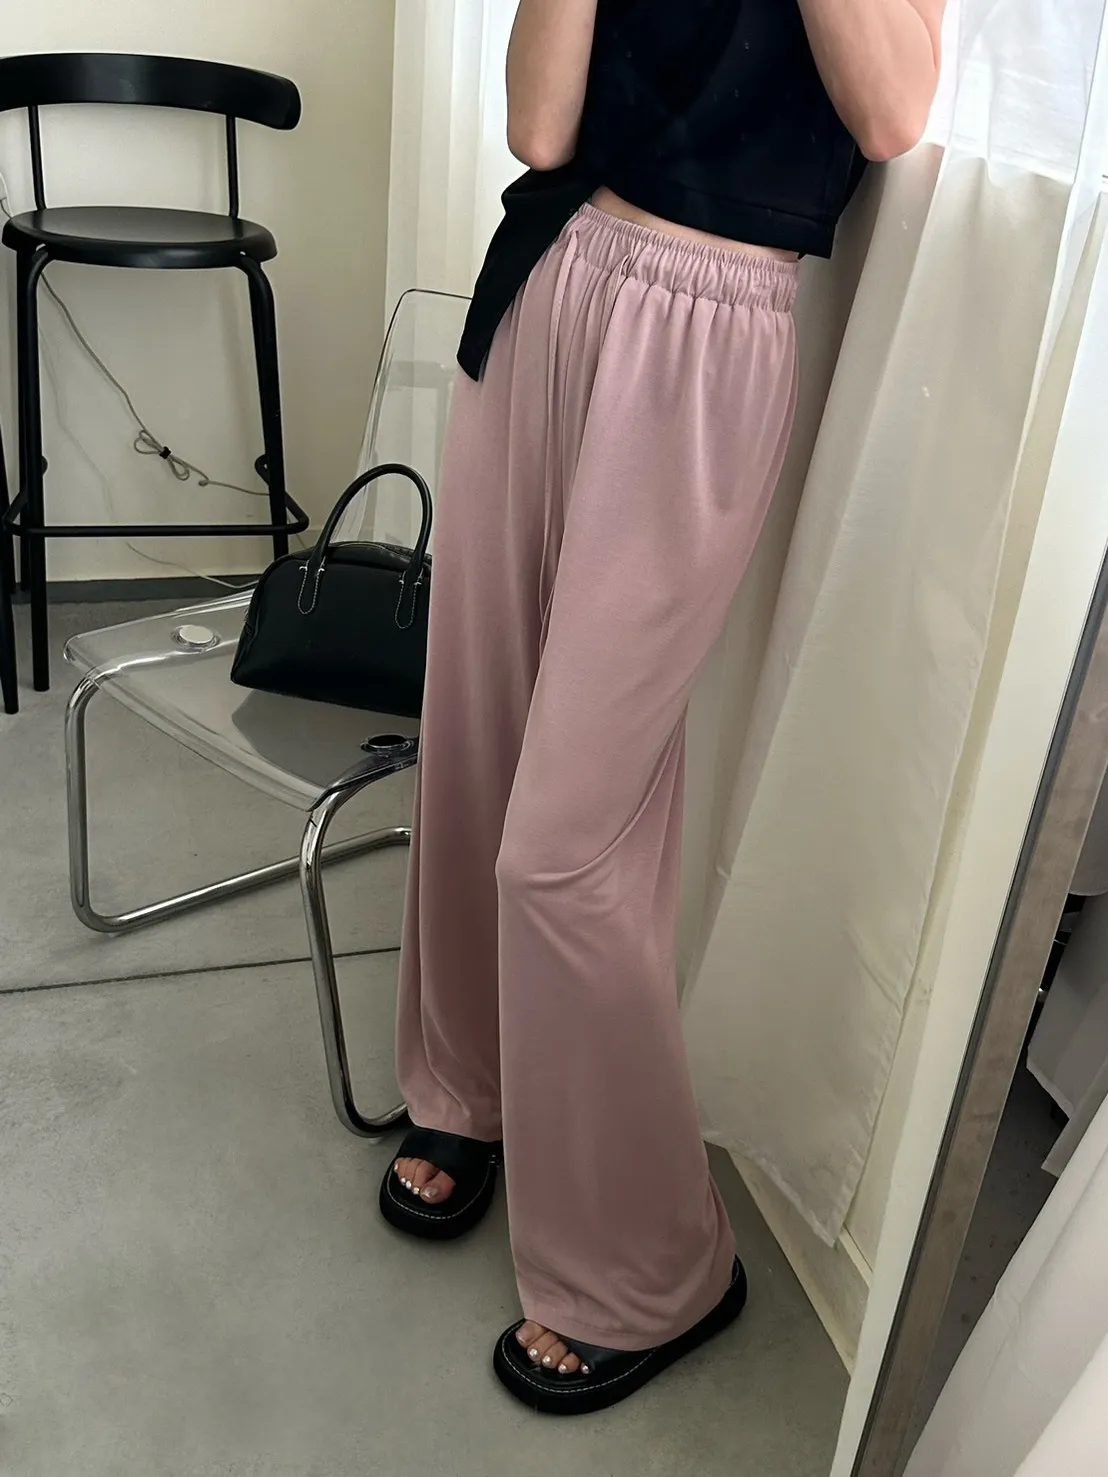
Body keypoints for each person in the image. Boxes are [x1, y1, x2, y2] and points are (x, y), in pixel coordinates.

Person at [381, 0, 946, 1415]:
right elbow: (538, 128)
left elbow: (891, 113)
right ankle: (469, 1084)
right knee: (473, 741)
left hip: (708, 326)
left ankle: (656, 1265)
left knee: (563, 842)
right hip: (551, 274)